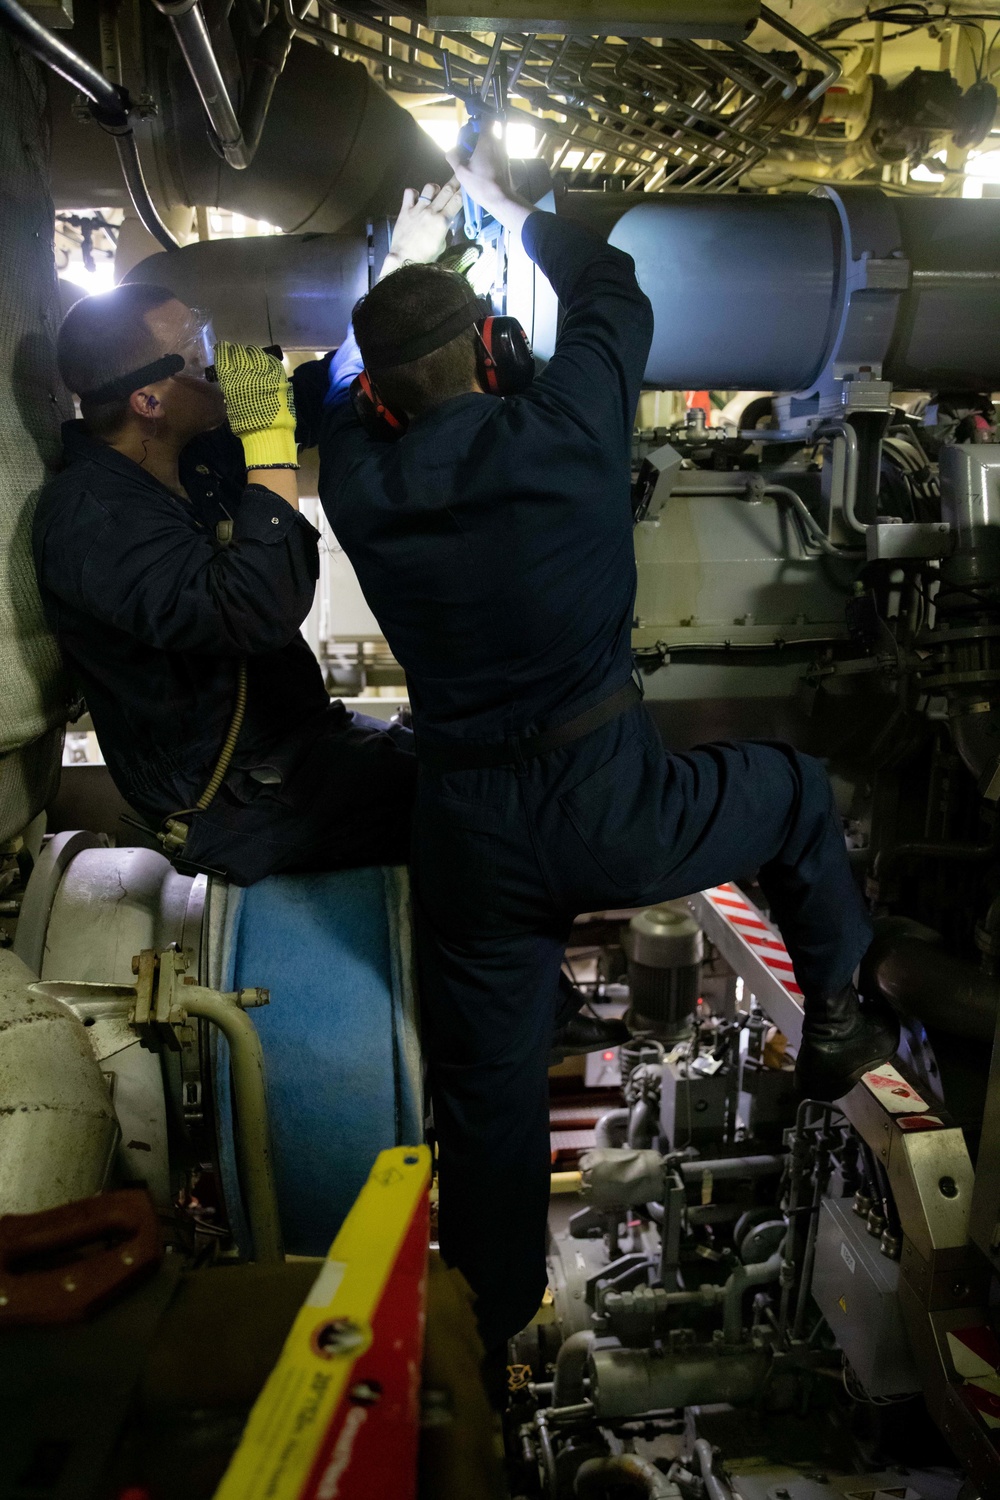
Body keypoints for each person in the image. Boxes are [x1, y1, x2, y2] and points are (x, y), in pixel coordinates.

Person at [316, 132, 899, 1372]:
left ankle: (491, 1324)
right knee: (795, 796)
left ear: (382, 396)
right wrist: (518, 213)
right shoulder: (570, 425)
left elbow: (330, 403)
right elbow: (613, 289)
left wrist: (399, 269)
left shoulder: (362, 485)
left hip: (465, 822)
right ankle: (837, 1016)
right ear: (485, 352)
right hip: (608, 797)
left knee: (490, 1093)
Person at [32, 276, 418, 885]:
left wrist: (393, 294)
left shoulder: (190, 454)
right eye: (196, 349)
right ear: (148, 401)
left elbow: (307, 401)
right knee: (476, 802)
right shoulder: (91, 520)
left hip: (298, 743)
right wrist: (269, 446)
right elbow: (254, 608)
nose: (215, 361)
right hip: (238, 797)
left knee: (459, 755)